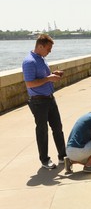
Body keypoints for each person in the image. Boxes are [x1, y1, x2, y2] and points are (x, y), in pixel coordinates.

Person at [22, 34, 66, 169]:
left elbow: (42, 77)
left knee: (58, 128)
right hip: (39, 102)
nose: (50, 51)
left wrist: (53, 74)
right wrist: (48, 79)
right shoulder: (29, 62)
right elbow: (29, 84)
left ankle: (63, 156)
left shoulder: (41, 59)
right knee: (42, 131)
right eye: (48, 48)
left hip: (49, 99)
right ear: (40, 46)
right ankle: (45, 160)